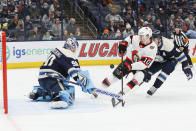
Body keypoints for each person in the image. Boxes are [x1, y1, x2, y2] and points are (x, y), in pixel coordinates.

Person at [29, 37, 97, 109]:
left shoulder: (56, 49)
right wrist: (88, 85)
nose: (74, 50)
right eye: (74, 48)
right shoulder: (69, 54)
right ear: (70, 47)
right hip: (53, 79)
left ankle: (38, 93)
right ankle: (58, 99)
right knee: (64, 95)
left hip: (42, 79)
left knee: (57, 86)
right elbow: (76, 73)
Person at [102, 27, 157, 102]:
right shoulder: (137, 38)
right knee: (116, 75)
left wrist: (131, 67)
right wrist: (123, 44)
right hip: (130, 61)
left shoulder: (152, 48)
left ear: (148, 36)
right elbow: (129, 38)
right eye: (139, 35)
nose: (139, 37)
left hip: (141, 67)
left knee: (139, 77)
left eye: (142, 36)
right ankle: (99, 88)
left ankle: (122, 93)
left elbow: (143, 64)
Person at [145, 30, 193, 95]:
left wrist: (187, 69)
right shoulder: (149, 44)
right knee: (147, 72)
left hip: (171, 60)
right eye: (151, 39)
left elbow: (182, 56)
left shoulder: (168, 45)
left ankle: (154, 87)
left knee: (165, 72)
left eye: (154, 39)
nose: (152, 41)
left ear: (159, 39)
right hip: (160, 59)